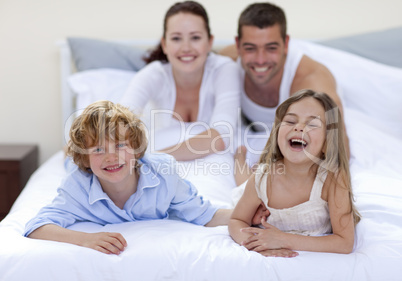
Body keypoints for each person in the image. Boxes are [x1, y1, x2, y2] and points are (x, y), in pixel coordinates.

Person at [24, 101, 231, 255]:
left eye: (121, 145)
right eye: (98, 149)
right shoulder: (77, 185)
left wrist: (250, 214)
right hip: (82, 167)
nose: (111, 157)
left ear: (137, 149)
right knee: (70, 161)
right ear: (86, 159)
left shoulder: (164, 174)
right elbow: (36, 227)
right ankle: (69, 152)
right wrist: (86, 239)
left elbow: (207, 214)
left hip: (140, 164)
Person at [219, 3, 349, 184]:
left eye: (271, 48)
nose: (260, 59)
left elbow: (339, 148)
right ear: (238, 45)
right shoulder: (227, 60)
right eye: (250, 48)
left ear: (286, 43)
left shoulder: (310, 80)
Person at [229, 90, 360, 258]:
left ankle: (241, 161)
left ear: (327, 142)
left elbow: (344, 242)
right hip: (254, 187)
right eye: (290, 121)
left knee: (248, 181)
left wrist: (283, 240)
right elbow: (236, 220)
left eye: (312, 124)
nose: (298, 127)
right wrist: (259, 246)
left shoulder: (333, 179)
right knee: (243, 185)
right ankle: (239, 160)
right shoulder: (262, 179)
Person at [121, 1, 240, 161]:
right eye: (176, 38)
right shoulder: (153, 75)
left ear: (210, 42)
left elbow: (221, 136)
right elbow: (119, 124)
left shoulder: (224, 69)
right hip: (162, 167)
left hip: (209, 166)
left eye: (195, 37)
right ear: (164, 44)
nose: (186, 48)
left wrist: (152, 159)